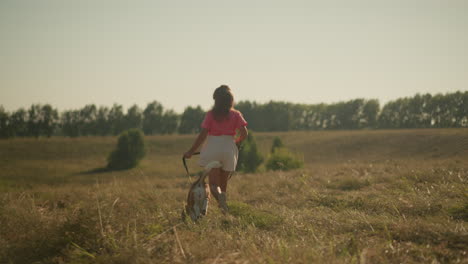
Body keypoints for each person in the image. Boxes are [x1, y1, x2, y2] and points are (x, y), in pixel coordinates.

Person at [183, 85, 248, 213]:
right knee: (223, 184)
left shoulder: (211, 115)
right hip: (229, 148)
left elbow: (203, 135)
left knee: (213, 184)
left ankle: (219, 199)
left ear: (216, 100)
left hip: (213, 147)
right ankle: (224, 207)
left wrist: (191, 151)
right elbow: (244, 133)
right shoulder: (236, 115)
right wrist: (236, 142)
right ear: (231, 100)